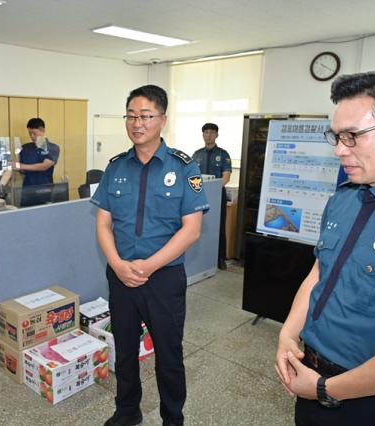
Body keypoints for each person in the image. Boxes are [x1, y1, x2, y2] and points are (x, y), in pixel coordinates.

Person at [275, 71, 375, 425]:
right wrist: (289, 333)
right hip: (310, 368)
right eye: (336, 137)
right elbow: (319, 272)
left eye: (353, 136)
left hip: (369, 396)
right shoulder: (345, 198)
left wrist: (325, 388)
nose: (338, 149)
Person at [91, 85, 209, 426]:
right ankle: (127, 411)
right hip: (120, 275)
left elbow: (192, 230)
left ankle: (173, 419)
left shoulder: (185, 168)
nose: (137, 123)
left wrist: (148, 266)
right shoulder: (115, 167)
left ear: (163, 119)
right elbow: (103, 224)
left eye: (145, 116)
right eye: (131, 115)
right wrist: (117, 264)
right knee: (125, 350)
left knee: (169, 355)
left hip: (164, 278)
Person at [191, 123, 232, 270]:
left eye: (212, 132)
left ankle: (220, 258)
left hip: (217, 196)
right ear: (202, 134)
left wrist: (212, 190)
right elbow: (191, 176)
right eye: (206, 132)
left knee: (219, 227)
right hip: (198, 196)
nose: (208, 135)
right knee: (198, 226)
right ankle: (202, 258)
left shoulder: (223, 154)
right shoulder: (196, 154)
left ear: (217, 135)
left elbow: (226, 177)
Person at [14, 117, 60, 186]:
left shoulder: (53, 147)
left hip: (45, 189)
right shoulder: (25, 147)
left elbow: (44, 166)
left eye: (34, 133)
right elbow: (22, 170)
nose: (32, 136)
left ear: (43, 130)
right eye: (29, 133)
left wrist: (20, 166)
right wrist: (15, 167)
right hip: (27, 189)